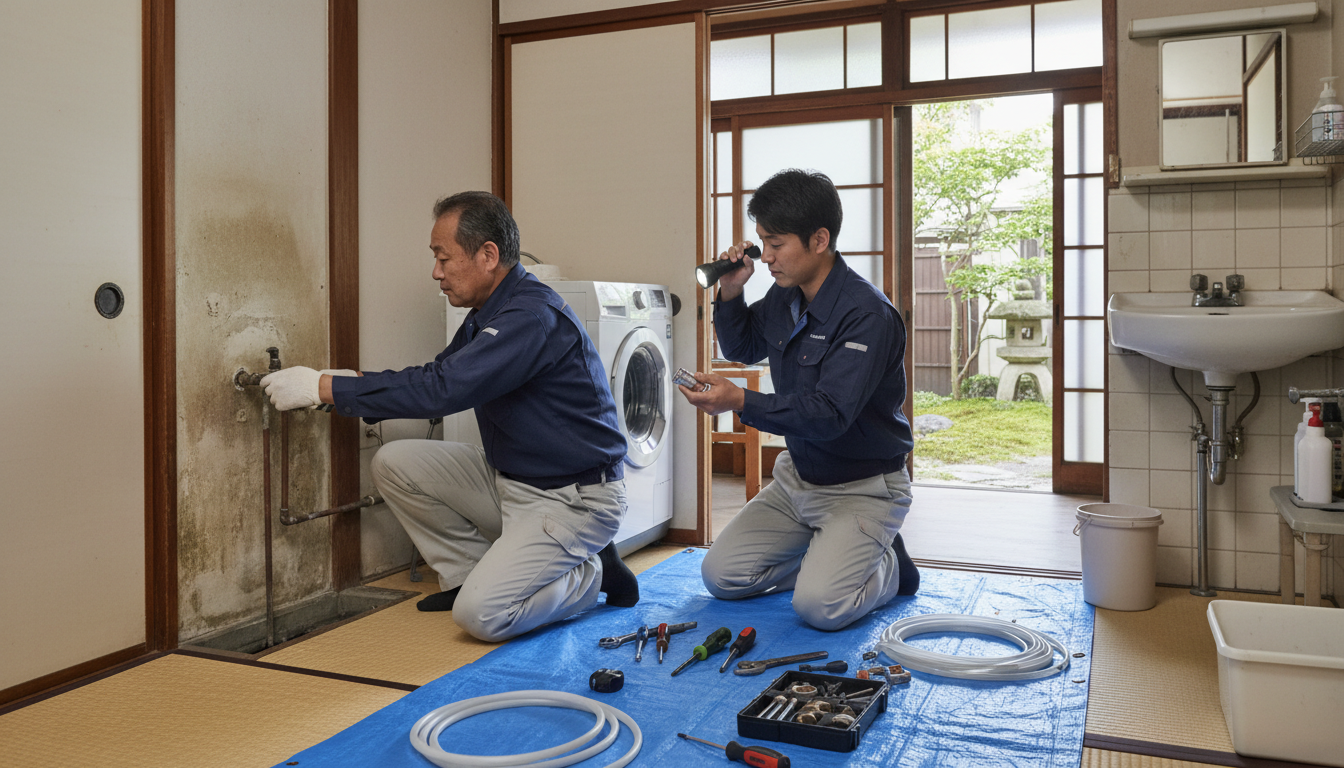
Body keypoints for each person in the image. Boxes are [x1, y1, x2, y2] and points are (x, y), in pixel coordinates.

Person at [259, 191, 639, 642]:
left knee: (480, 617)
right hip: (513, 480)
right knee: (395, 463)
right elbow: (439, 373)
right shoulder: (488, 311)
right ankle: (464, 576)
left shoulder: (529, 317)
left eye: (443, 258)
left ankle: (592, 573)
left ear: (488, 255)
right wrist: (343, 381)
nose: (436, 272)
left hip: (573, 498)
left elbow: (444, 390)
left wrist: (323, 387)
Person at [679, 169, 919, 631]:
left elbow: (829, 415)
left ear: (819, 239)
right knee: (721, 576)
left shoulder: (866, 314)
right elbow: (742, 347)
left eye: (776, 244)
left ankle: (888, 565)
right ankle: (831, 559)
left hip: (863, 488)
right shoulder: (785, 295)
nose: (765, 257)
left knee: (821, 608)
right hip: (798, 482)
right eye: (761, 243)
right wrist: (731, 290)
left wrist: (741, 402)